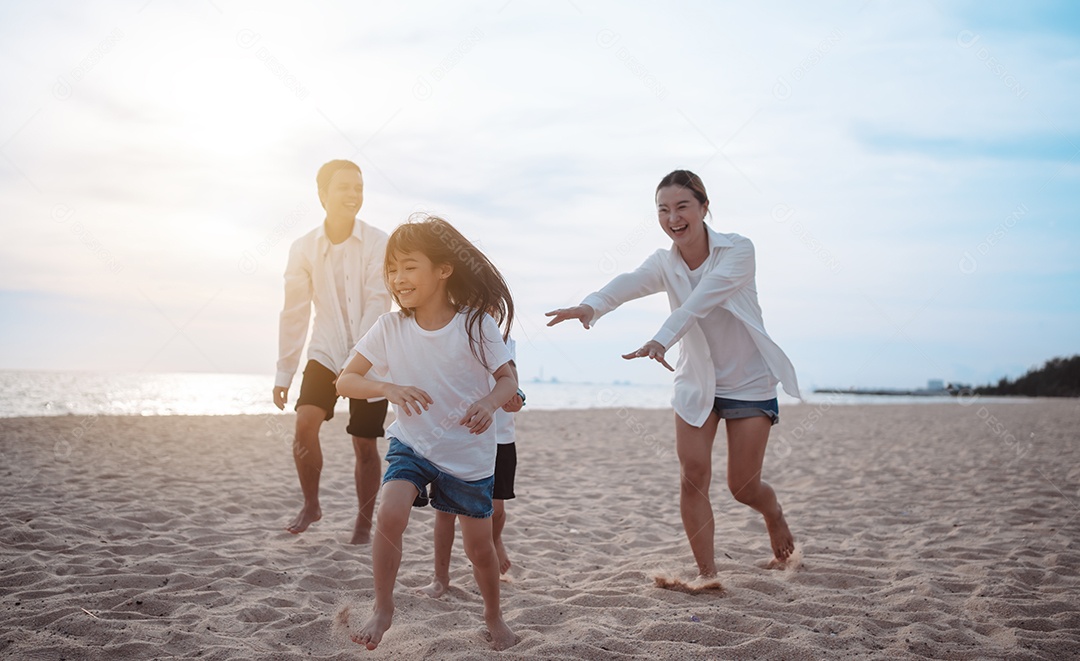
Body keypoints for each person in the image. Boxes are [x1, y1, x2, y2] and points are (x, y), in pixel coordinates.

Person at [545, 170, 801, 581]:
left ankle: (773, 514)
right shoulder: (664, 262)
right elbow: (627, 283)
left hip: (748, 381)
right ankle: (707, 575)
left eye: (682, 206)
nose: (673, 218)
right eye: (663, 210)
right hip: (696, 381)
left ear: (704, 207)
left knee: (742, 486)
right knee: (692, 477)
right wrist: (591, 306)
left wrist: (660, 340)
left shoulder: (738, 250)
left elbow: (699, 302)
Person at [336, 214, 519, 651]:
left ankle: (493, 617)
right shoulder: (389, 327)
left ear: (443, 269)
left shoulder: (476, 324)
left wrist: (489, 403)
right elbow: (345, 381)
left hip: (467, 452)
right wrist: (388, 388)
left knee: (479, 549)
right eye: (392, 269)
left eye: (409, 267)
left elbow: (508, 380)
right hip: (413, 443)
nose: (398, 278)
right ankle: (383, 609)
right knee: (390, 514)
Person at [273, 159, 391, 544]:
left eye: (359, 187)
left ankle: (363, 524)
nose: (353, 195)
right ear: (323, 194)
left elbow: (379, 301)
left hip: (370, 354)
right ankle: (311, 504)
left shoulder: (378, 241)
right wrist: (284, 372)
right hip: (324, 349)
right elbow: (294, 312)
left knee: (364, 443)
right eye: (344, 187)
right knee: (305, 423)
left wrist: (356, 359)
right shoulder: (303, 248)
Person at [420, 338, 524, 599]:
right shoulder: (454, 334)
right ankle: (440, 577)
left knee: (496, 510)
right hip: (458, 435)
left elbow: (513, 381)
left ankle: (495, 541)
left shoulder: (505, 339)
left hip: (500, 437)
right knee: (445, 512)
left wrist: (518, 399)